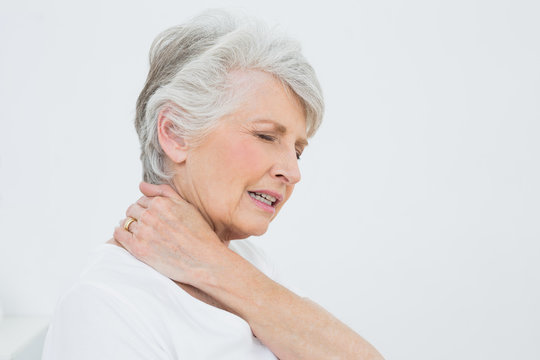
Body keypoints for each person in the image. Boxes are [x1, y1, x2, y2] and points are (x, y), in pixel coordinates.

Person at [42, 10, 384, 360]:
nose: (292, 172)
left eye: (297, 151)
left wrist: (214, 264)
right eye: (266, 136)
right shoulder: (105, 304)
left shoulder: (247, 263)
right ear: (175, 133)